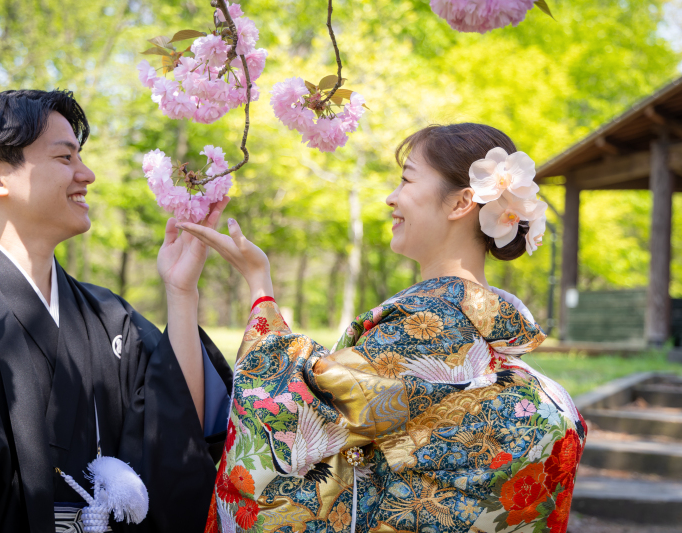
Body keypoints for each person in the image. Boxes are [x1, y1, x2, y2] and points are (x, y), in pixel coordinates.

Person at [181, 123, 587, 533]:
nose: (392, 198)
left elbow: (297, 406)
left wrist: (258, 286)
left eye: (407, 179)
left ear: (462, 202)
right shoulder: (490, 330)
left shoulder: (430, 323)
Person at [0, 90, 232, 533]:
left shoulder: (109, 316)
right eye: (65, 158)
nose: (86, 174)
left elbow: (178, 429)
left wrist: (181, 293)